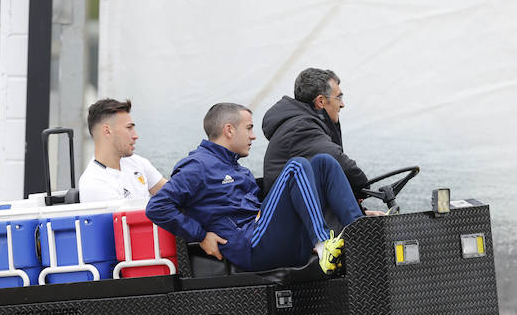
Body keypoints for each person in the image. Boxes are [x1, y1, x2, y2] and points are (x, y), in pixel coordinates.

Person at [146, 103, 364, 274]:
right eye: (249, 128)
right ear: (229, 130)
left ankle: (363, 232)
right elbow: (158, 206)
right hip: (251, 245)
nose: (253, 136)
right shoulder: (197, 166)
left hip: (271, 236)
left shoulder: (237, 168)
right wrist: (201, 235)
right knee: (296, 166)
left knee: (323, 163)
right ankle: (323, 243)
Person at [262, 68, 368, 200]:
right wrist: (363, 189)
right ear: (320, 101)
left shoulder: (300, 124)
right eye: (339, 97)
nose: (342, 104)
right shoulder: (302, 128)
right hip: (291, 216)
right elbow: (338, 162)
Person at [79, 98, 167, 202]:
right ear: (107, 131)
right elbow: (134, 217)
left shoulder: (138, 162)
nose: (136, 136)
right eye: (129, 128)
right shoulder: (94, 183)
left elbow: (174, 194)